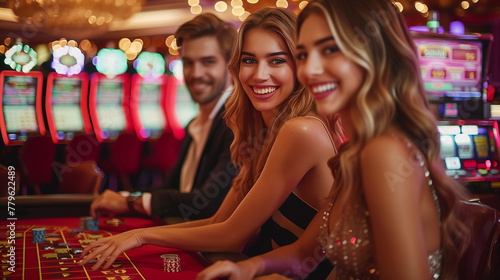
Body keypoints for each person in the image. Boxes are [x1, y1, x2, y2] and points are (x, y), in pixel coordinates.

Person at [196, 0, 472, 279]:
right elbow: (303, 253)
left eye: (330, 50)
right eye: (303, 54)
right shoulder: (355, 150)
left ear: (372, 54)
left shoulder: (384, 151)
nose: (311, 70)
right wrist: (247, 268)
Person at [79, 8, 344, 278]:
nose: (259, 74)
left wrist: (141, 237)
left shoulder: (301, 130)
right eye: (249, 60)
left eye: (277, 61)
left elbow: (232, 237)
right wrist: (137, 235)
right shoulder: (266, 135)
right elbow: (219, 222)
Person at [89, 13, 237, 222]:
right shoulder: (194, 124)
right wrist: (126, 197)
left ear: (230, 64)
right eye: (188, 62)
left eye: (208, 62)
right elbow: (172, 189)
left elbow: (205, 203)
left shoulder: (237, 122)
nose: (195, 73)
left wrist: (129, 202)